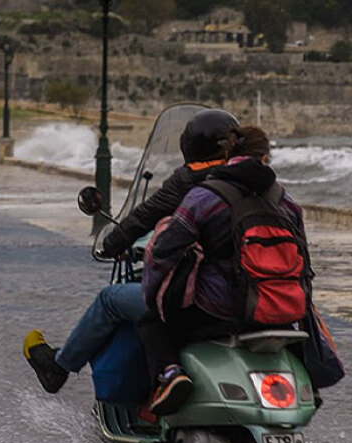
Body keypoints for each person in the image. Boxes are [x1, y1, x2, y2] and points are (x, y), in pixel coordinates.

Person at [21, 108, 240, 394]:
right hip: (255, 301)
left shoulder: (189, 183)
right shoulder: (256, 184)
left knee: (110, 300)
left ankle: (58, 368)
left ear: (190, 147)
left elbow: (142, 218)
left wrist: (112, 244)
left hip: (203, 301)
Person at [139, 125, 309, 415]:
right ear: (265, 158)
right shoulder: (286, 203)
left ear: (228, 155)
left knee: (151, 322)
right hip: (278, 311)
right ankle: (309, 386)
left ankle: (170, 375)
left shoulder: (205, 197)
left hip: (219, 311)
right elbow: (304, 265)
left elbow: (165, 251)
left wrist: (152, 293)